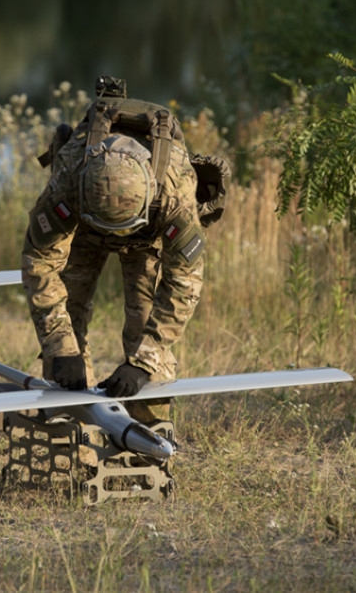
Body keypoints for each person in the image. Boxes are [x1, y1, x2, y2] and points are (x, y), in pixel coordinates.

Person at [22, 77, 228, 424]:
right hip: (84, 228)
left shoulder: (175, 192)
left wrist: (143, 363)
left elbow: (183, 284)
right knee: (65, 326)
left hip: (147, 236)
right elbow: (40, 262)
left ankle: (149, 439)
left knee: (145, 328)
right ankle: (72, 438)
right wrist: (60, 346)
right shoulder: (70, 175)